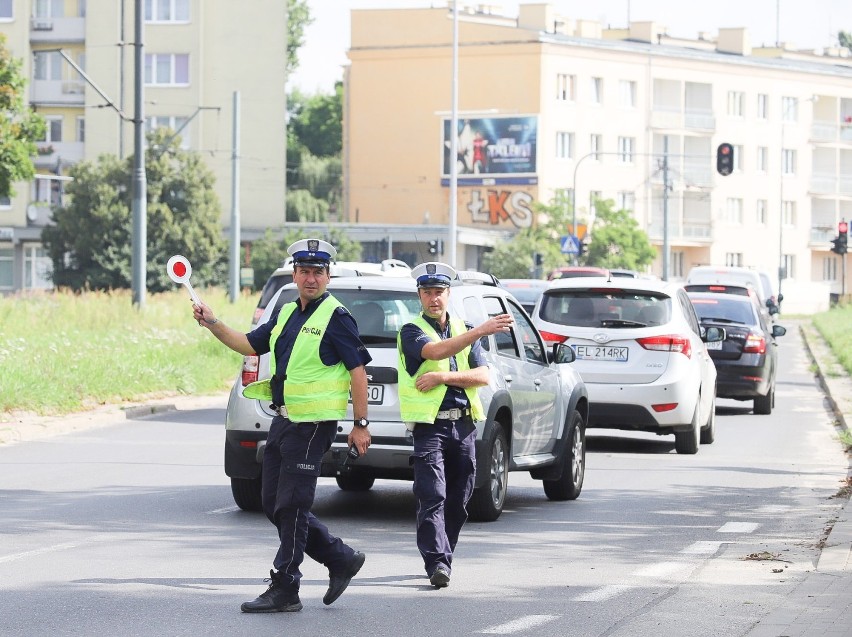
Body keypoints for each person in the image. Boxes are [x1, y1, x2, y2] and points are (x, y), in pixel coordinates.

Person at [192, 238, 372, 613]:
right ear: (295, 274)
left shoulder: (337, 318)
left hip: (314, 425)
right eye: (304, 271)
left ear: (328, 276)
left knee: (292, 505)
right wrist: (212, 323)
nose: (311, 278)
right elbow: (248, 344)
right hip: (284, 421)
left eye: (318, 272)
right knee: (273, 502)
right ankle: (340, 558)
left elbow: (358, 372)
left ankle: (286, 585)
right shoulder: (288, 313)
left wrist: (360, 424)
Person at [396, 262, 513, 588]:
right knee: (432, 495)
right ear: (419, 295)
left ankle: (442, 554)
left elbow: (483, 376)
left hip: (463, 426)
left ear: (449, 294)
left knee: (459, 500)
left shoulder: (463, 327)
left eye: (439, 292)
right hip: (429, 428)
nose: (434, 299)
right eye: (427, 292)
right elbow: (432, 350)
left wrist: (443, 377)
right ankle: (437, 563)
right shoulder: (411, 329)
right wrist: (479, 332)